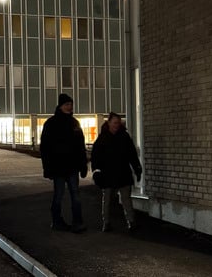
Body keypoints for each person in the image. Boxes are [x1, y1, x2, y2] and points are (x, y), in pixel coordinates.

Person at [40, 93, 88, 233]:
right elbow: (45, 148)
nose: (70, 107)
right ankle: (57, 221)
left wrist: (83, 164)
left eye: (71, 104)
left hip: (71, 167)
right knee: (60, 194)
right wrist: (47, 168)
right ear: (61, 106)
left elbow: (80, 145)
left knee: (74, 195)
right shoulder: (52, 124)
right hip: (58, 167)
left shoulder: (74, 123)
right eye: (67, 104)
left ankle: (77, 222)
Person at [91, 112, 142, 232]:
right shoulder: (103, 138)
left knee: (125, 198)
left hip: (122, 172)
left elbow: (132, 155)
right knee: (108, 199)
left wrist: (137, 168)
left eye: (118, 123)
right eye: (114, 123)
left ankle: (131, 221)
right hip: (108, 173)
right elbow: (96, 157)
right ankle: (107, 222)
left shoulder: (124, 137)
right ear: (109, 123)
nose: (116, 125)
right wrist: (96, 171)